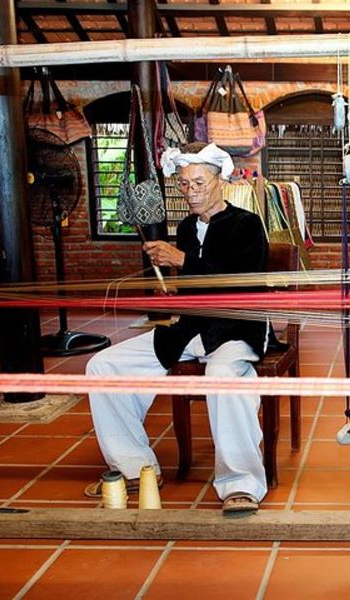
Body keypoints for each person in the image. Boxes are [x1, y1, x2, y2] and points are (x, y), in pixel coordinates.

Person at [84, 142, 270, 516]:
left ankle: (241, 484)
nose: (192, 191)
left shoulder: (247, 224)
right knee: (102, 367)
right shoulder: (185, 227)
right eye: (184, 184)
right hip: (191, 329)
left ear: (221, 181)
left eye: (199, 182)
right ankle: (138, 467)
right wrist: (172, 276)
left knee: (221, 376)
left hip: (237, 327)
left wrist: (182, 260)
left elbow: (240, 283)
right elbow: (191, 289)